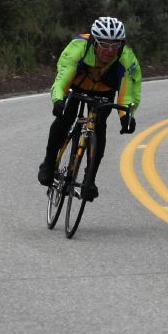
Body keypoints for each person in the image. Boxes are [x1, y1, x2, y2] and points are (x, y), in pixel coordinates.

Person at [37, 16, 142, 201]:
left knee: (99, 127)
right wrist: (58, 100)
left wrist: (126, 115)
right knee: (65, 119)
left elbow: (130, 89)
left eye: (115, 45)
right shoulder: (78, 47)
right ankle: (48, 163)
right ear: (94, 41)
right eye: (104, 44)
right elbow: (62, 78)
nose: (110, 50)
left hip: (105, 90)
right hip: (76, 85)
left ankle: (89, 179)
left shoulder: (127, 57)